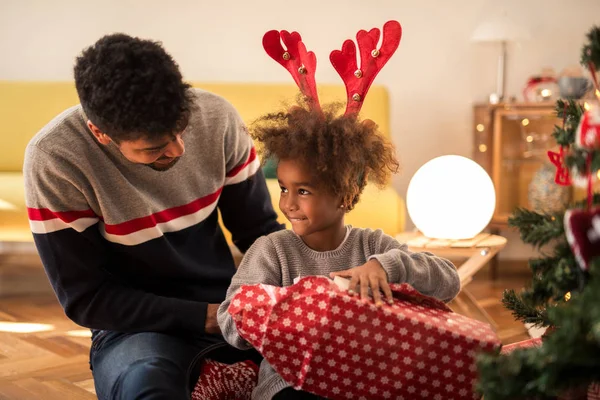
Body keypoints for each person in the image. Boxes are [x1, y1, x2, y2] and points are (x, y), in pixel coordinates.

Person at [23, 33, 283, 399]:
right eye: (155, 147)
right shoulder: (56, 160)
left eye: (182, 128)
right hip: (133, 328)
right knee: (148, 386)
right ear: (100, 133)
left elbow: (260, 232)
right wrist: (205, 317)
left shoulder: (218, 118)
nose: (178, 149)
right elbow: (87, 299)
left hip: (230, 305)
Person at [217, 102, 462, 399]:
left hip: (366, 384)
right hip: (291, 386)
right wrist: (292, 307)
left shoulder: (373, 246)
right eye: (283, 188)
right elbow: (230, 323)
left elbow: (449, 281)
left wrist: (387, 267)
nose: (287, 204)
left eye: (303, 191)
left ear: (344, 194)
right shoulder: (272, 250)